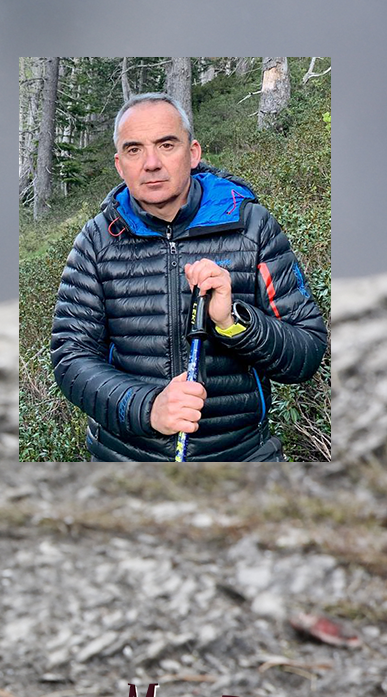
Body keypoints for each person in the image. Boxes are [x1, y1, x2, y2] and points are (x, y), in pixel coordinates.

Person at [51, 92, 327, 461]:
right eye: (134, 150)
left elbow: (306, 354)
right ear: (119, 164)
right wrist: (147, 408)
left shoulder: (250, 226)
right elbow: (71, 358)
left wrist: (233, 323)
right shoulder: (97, 241)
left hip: (241, 456)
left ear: (193, 153)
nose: (151, 163)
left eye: (167, 144)